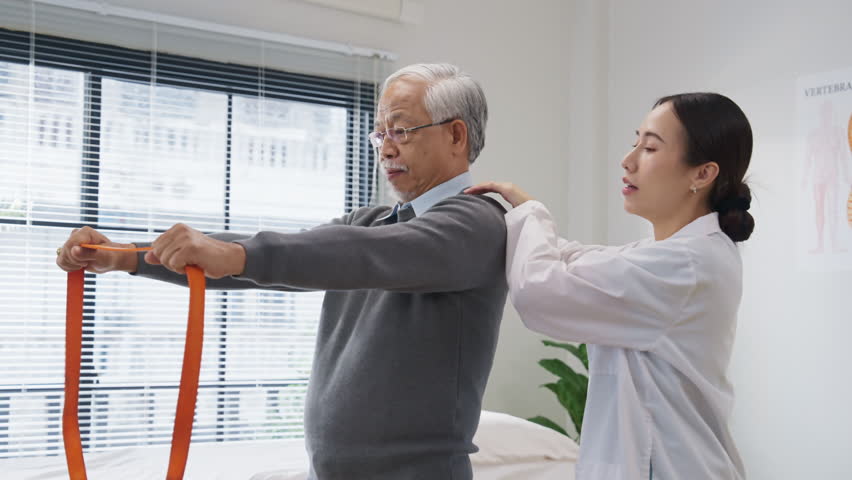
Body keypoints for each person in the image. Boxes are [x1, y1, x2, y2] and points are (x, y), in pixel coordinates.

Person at [56, 63, 508, 480]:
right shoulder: (369, 223)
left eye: (403, 131)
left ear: (455, 136)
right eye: (379, 134)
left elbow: (360, 254)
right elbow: (280, 255)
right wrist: (127, 256)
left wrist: (236, 256)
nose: (386, 148)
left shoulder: (476, 222)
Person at [467, 93, 753, 479]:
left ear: (702, 174)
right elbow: (581, 260)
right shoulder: (676, 255)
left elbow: (540, 294)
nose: (628, 159)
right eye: (635, 141)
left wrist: (531, 215)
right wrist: (522, 216)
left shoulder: (686, 264)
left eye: (650, 147)